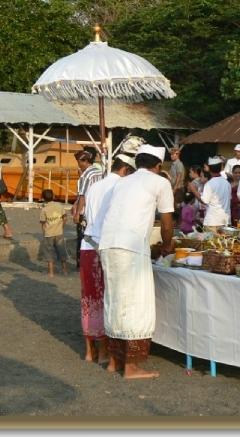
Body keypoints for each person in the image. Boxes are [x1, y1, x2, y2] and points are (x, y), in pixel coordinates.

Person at [99, 144, 175, 379]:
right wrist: (168, 246)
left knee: (115, 301)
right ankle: (131, 367)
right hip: (130, 246)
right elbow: (166, 223)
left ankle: (115, 362)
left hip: (108, 244)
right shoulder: (160, 182)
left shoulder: (123, 181)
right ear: (159, 165)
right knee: (136, 304)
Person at [80, 154, 136, 364]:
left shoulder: (95, 185)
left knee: (88, 298)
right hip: (104, 246)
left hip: (86, 245)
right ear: (126, 170)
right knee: (106, 298)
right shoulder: (120, 187)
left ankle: (89, 349)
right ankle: (104, 350)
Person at [72, 148, 102, 269]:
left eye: (79, 162)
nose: (79, 165)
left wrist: (77, 213)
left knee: (83, 237)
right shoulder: (100, 172)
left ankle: (82, 263)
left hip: (87, 210)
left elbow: (82, 195)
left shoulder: (86, 175)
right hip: (98, 209)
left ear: (85, 161)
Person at [187, 156, 231, 232]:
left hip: (212, 221)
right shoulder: (226, 182)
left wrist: (194, 190)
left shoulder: (210, 184)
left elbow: (204, 201)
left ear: (209, 169)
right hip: (225, 220)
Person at [39, 189, 68, 277]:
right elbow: (65, 218)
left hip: (49, 234)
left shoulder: (44, 210)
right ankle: (65, 270)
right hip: (59, 233)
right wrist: (61, 226)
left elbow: (43, 223)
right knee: (62, 251)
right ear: (54, 196)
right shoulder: (60, 206)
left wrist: (44, 233)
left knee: (49, 253)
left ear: (43, 198)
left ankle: (51, 272)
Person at [169, 147, 186, 225]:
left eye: (173, 154)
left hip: (178, 188)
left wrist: (175, 188)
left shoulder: (179, 164)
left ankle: (179, 223)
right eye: (171, 154)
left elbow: (179, 176)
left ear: (177, 154)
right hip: (173, 187)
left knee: (178, 206)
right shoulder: (173, 164)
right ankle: (175, 223)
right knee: (173, 206)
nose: (171, 156)